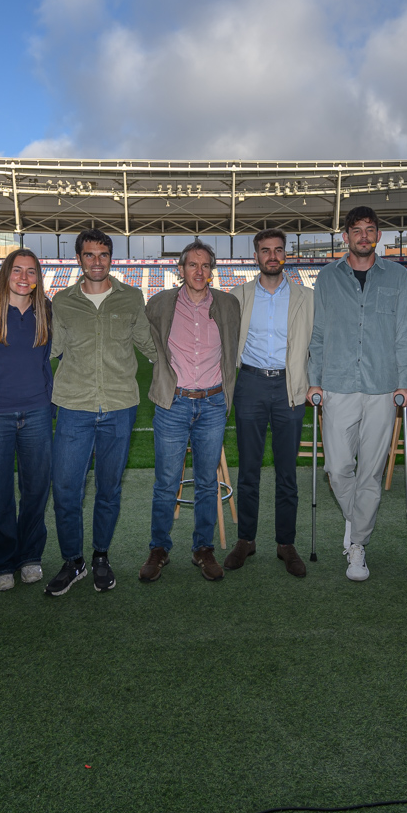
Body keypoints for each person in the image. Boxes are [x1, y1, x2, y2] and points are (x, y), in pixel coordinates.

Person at [306, 206, 407, 582]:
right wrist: (313, 379)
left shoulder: (398, 276)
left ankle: (357, 543)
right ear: (346, 236)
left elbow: (405, 334)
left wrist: (404, 382)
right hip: (337, 384)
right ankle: (357, 520)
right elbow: (319, 332)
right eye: (357, 230)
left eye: (370, 230)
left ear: (378, 236)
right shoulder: (327, 277)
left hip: (383, 387)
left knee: (370, 471)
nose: (364, 236)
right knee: (337, 469)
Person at [46, 228, 158, 596]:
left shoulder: (131, 297)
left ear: (111, 258)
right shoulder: (62, 301)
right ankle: (72, 561)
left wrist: (188, 368)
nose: (97, 262)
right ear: (78, 259)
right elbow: (50, 349)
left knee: (109, 490)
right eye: (90, 255)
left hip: (119, 407)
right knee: (66, 491)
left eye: (103, 255)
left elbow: (149, 345)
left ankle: (100, 557)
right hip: (73, 407)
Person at [139, 240, 241, 583]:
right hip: (174, 403)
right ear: (180, 269)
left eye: (205, 265)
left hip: (213, 404)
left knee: (207, 482)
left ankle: (203, 549)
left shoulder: (228, 304)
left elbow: (234, 347)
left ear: (212, 270)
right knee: (166, 482)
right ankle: (159, 548)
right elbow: (145, 339)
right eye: (193, 265)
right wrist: (160, 366)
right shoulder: (159, 303)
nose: (199, 271)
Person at [226, 228, 313, 577]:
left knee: (286, 472)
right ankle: (246, 539)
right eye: (265, 250)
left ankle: (285, 543)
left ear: (285, 254)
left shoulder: (306, 297)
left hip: (290, 387)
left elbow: (317, 343)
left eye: (278, 250)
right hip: (250, 384)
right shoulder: (237, 296)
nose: (272, 256)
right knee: (248, 470)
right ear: (256, 256)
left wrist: (315, 380)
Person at [0, 249, 53, 593]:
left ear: (37, 278)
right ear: (6, 273)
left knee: (36, 490)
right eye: (17, 270)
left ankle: (30, 555)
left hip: (37, 412)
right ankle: (0, 562)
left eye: (31, 271)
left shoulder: (46, 310)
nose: (23, 277)